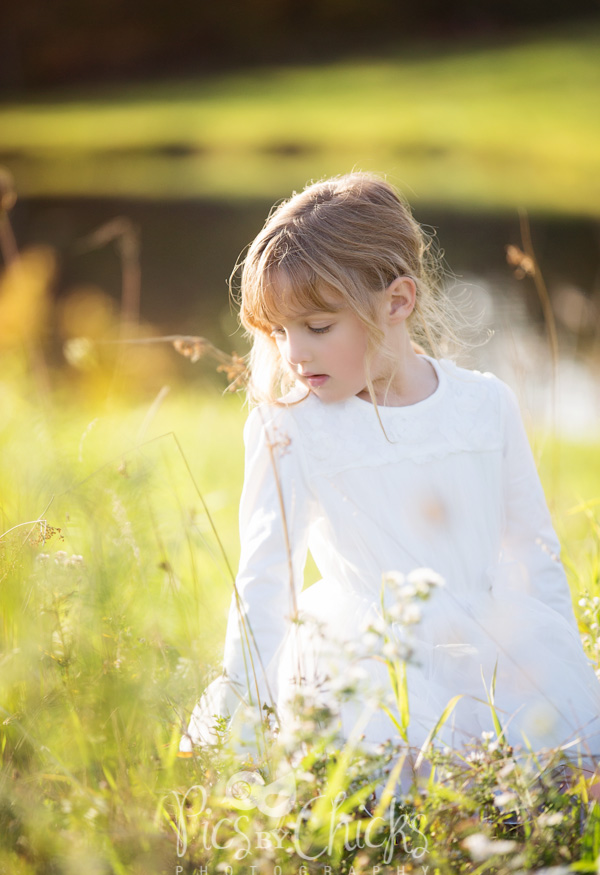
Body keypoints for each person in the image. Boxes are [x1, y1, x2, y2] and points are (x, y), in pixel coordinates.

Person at [179, 172, 600, 789]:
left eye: (318, 327)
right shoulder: (291, 428)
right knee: (401, 777)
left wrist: (564, 675)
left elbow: (532, 556)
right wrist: (248, 712)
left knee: (560, 777)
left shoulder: (485, 405)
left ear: (396, 302)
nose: (294, 354)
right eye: (278, 332)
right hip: (368, 664)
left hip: (489, 648)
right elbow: (267, 583)